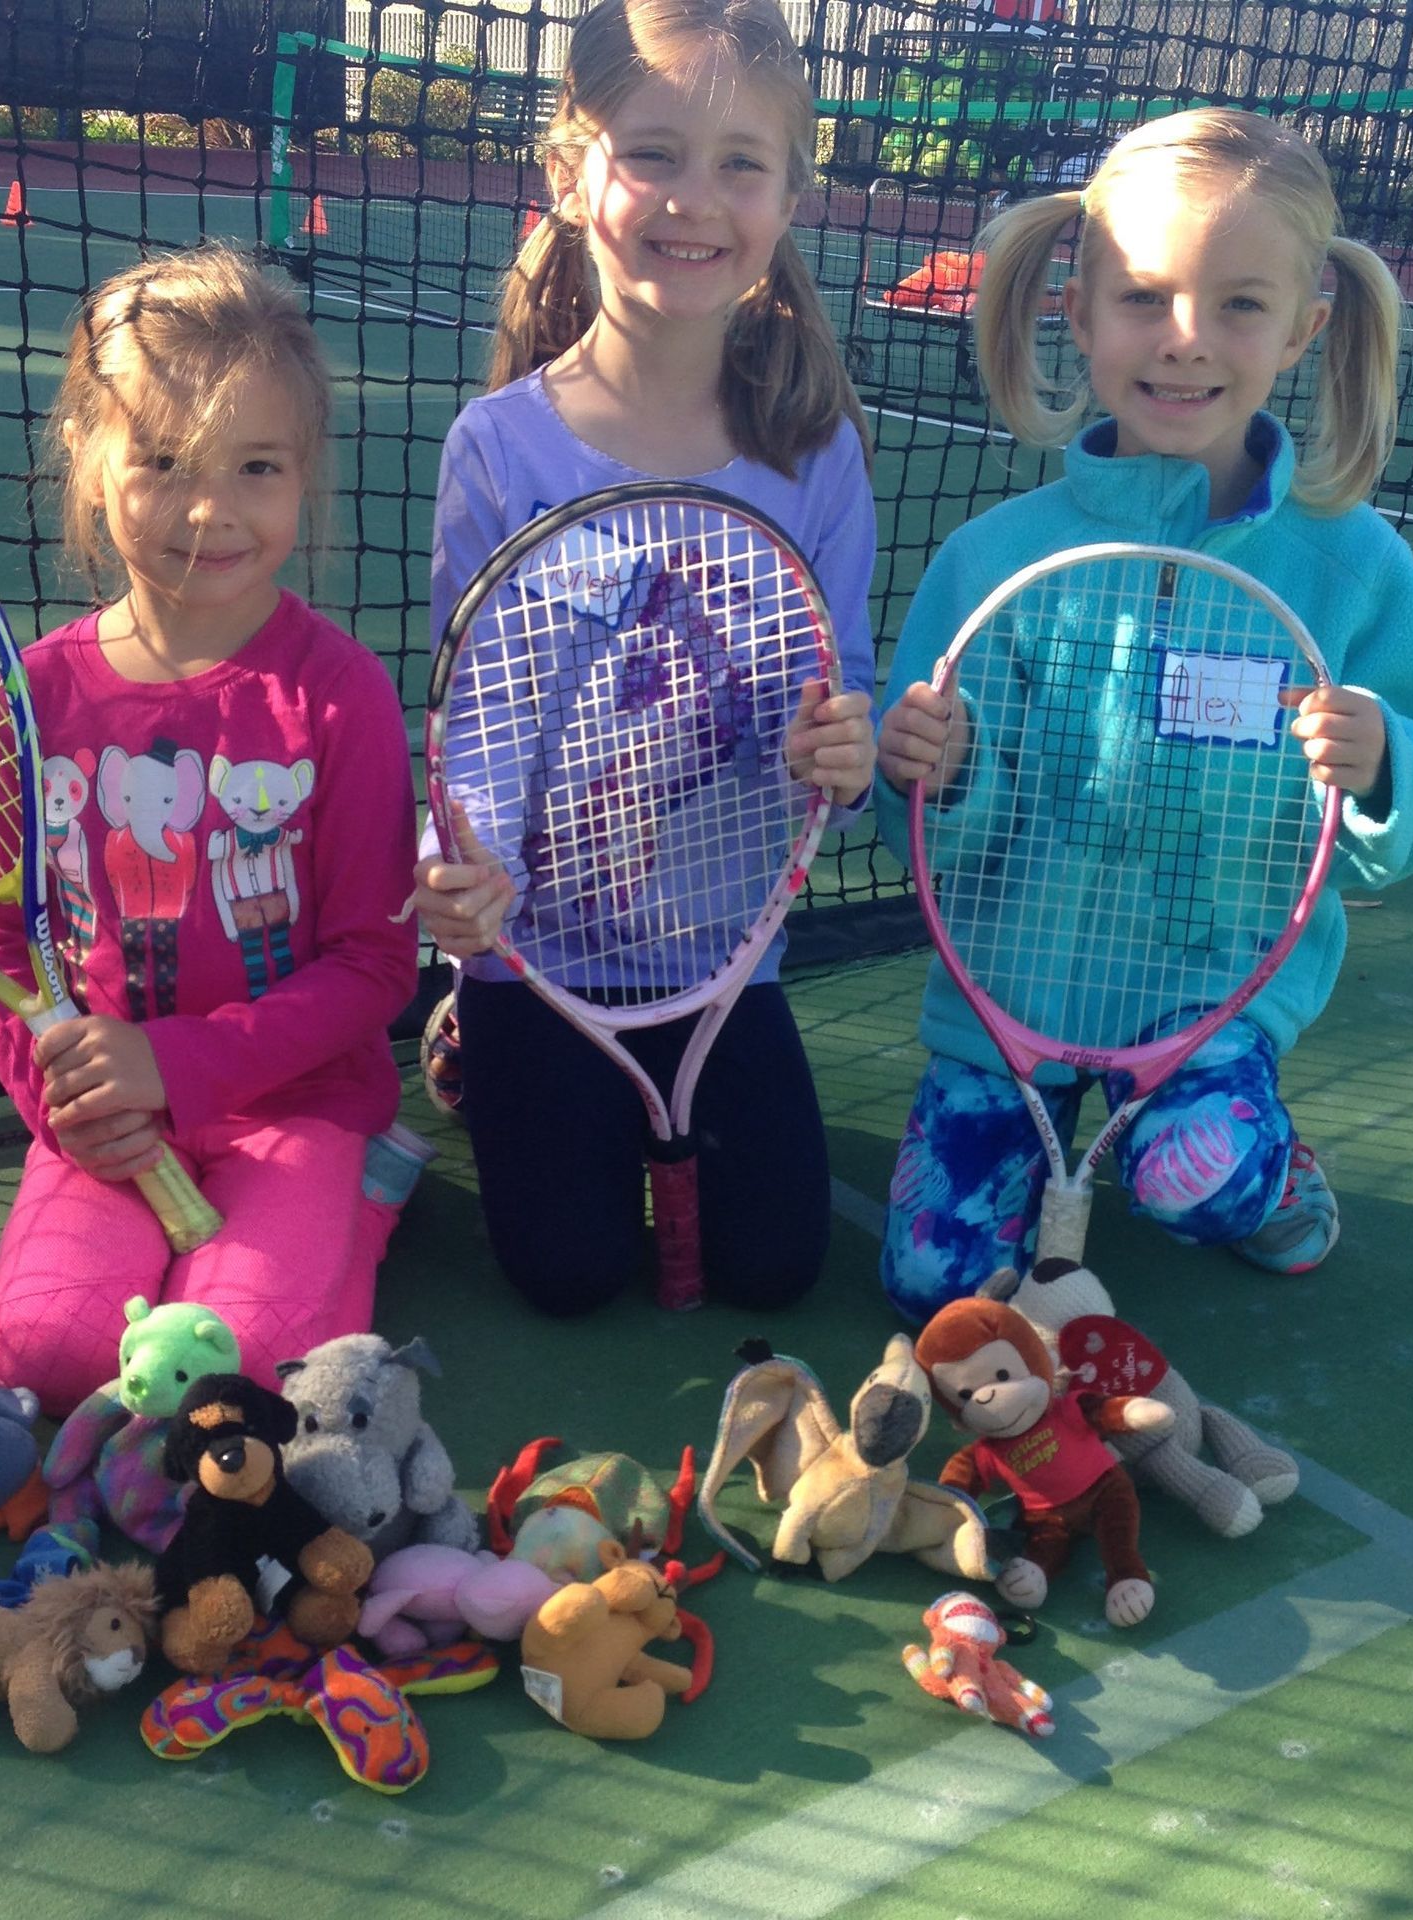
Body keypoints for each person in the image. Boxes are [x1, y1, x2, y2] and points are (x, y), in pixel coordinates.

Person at [874, 108, 1413, 1320]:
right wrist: (942, 770)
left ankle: (1271, 1166)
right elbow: (929, 837)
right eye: (1144, 297)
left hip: (1214, 1001)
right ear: (1080, 309)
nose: (1185, 341)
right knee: (939, 1285)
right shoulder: (992, 562)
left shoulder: (1354, 569)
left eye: (1240, 305)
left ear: (1306, 328)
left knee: (1195, 1180)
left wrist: (1380, 765)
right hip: (1013, 1001)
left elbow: (1408, 808)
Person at [410, 0, 880, 1316]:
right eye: (654, 152)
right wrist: (457, 873)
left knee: (776, 1267)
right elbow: (478, 729)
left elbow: (845, 715)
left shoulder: (816, 451)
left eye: (742, 162)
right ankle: (471, 1030)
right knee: (567, 1275)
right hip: (537, 960)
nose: (696, 199)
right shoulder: (499, 449)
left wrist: (844, 750)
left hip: (723, 955)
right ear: (570, 171)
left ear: (792, 191)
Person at [0, 243, 421, 1416]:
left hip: (299, 1107)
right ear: (88, 458)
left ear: (303, 475)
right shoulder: (37, 693)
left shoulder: (340, 695)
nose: (209, 509)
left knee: (240, 1365)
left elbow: (373, 963)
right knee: (53, 1355)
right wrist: (67, 1106)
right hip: (102, 1130)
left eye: (255, 466)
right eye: (162, 461)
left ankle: (359, 1197)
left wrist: (172, 1063)